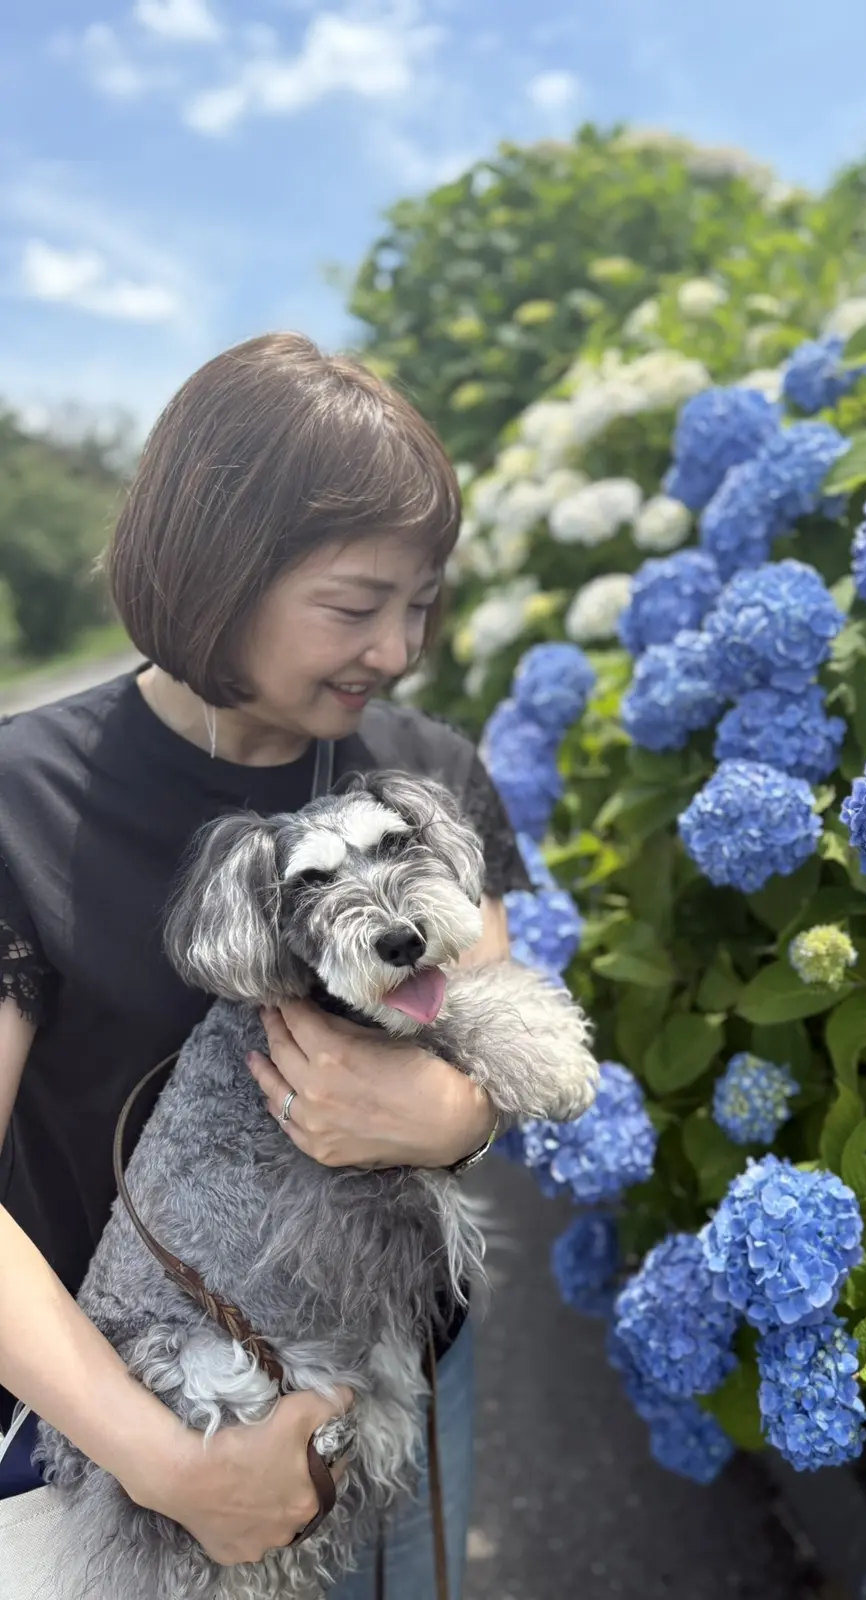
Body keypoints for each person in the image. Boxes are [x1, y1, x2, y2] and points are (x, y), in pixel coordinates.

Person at [0, 332, 531, 1598]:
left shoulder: (425, 771)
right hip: (147, 1422)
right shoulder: (23, 806)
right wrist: (175, 1468)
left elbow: (500, 1013)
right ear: (215, 573)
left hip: (404, 1375)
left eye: (423, 601)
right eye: (356, 605)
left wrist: (453, 1111)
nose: (399, 649)